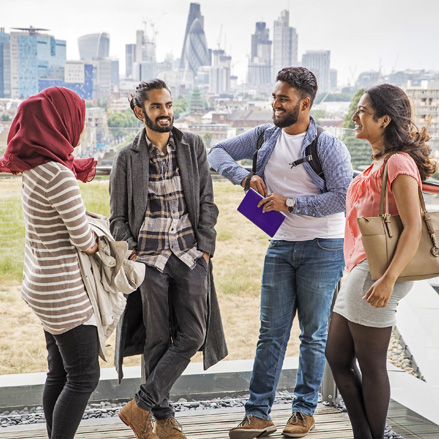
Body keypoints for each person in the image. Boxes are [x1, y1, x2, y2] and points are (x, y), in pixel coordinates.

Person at [208, 67, 352, 438]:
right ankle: (258, 414)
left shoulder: (328, 145)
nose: (275, 104)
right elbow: (216, 152)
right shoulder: (265, 136)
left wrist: (290, 203)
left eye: (283, 99)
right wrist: (243, 177)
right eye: (274, 97)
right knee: (270, 332)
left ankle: (303, 411)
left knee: (313, 334)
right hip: (281, 244)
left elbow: (342, 197)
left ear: (304, 104)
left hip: (323, 245)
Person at [110, 79, 227, 439]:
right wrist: (129, 248)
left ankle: (139, 406)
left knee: (194, 334)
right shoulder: (126, 158)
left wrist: (206, 245)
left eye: (169, 105)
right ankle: (162, 418)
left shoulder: (192, 146)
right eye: (157, 106)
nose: (165, 113)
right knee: (156, 339)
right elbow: (116, 217)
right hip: (148, 259)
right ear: (139, 111)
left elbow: (207, 200)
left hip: (190, 254)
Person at [325, 84, 437, 439]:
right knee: (337, 356)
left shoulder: (399, 163)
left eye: (363, 110)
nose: (355, 116)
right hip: (362, 269)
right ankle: (365, 435)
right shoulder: (377, 163)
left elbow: (413, 228)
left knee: (370, 364)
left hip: (379, 272)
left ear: (384, 119)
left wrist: (388, 279)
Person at [0, 87, 100, 439]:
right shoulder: (58, 175)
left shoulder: (34, 168)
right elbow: (83, 240)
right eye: (78, 119)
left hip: (41, 283)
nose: (81, 127)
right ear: (59, 123)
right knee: (85, 376)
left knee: (59, 371)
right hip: (63, 291)